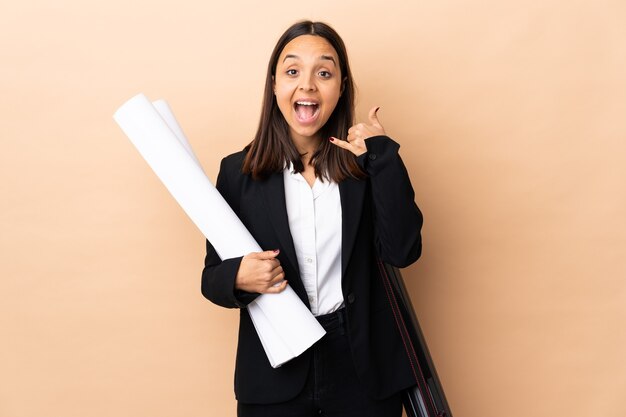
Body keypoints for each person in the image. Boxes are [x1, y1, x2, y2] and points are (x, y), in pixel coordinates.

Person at [201, 20, 423, 417]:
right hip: (275, 371)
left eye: (324, 72)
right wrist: (238, 277)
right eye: (292, 71)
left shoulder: (365, 167)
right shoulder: (238, 173)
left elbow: (404, 250)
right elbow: (211, 277)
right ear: (274, 86)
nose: (307, 85)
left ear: (341, 89)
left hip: (362, 369)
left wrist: (383, 157)